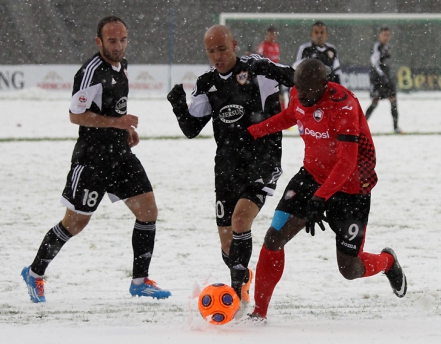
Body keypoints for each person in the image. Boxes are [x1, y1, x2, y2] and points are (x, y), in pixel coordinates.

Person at [21, 16, 171, 303]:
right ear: (98, 41)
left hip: (121, 156)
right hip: (92, 160)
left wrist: (125, 128)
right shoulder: (90, 72)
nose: (118, 46)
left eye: (123, 39)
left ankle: (139, 281)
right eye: (112, 41)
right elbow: (75, 115)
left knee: (148, 211)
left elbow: (114, 108)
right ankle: (35, 273)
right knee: (74, 224)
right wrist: (116, 124)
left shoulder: (122, 66)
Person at [244, 59, 407, 321]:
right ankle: (259, 313)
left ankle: (387, 262)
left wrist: (320, 199)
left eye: (309, 91)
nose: (302, 96)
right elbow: (291, 115)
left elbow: (346, 163)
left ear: (324, 84)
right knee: (274, 239)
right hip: (310, 176)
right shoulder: (299, 92)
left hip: (351, 187)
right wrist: (253, 131)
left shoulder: (343, 105)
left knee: (349, 268)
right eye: (299, 89)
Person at [167, 24, 294, 306]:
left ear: (234, 44)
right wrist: (178, 104)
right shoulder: (206, 83)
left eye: (222, 49)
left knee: (240, 220)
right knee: (228, 244)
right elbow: (191, 128)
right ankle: (241, 276)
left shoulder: (258, 68)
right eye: (211, 51)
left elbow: (298, 78)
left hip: (262, 162)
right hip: (226, 167)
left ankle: (236, 296)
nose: (217, 56)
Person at [365, 26, 403, 134]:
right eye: (384, 35)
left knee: (393, 100)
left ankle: (396, 128)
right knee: (374, 102)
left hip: (386, 78)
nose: (386, 37)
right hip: (378, 79)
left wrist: (388, 75)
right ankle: (360, 127)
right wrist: (382, 76)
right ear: (379, 36)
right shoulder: (377, 46)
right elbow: (374, 63)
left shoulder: (387, 47)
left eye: (388, 35)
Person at [256, 25, 286, 110]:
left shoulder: (277, 46)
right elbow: (259, 59)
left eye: (274, 34)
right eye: (270, 34)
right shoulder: (263, 46)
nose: (272, 36)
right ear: (266, 35)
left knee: (281, 97)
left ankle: (282, 114)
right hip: (266, 75)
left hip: (276, 74)